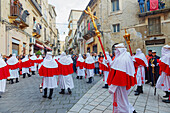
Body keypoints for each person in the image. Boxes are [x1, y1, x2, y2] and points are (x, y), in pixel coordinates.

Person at [107, 43, 137, 113]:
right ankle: (131, 110)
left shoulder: (122, 59)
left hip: (120, 84)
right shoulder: (124, 56)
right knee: (123, 100)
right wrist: (109, 62)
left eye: (116, 50)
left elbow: (120, 75)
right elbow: (115, 66)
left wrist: (113, 87)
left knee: (121, 102)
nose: (115, 51)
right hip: (122, 83)